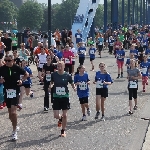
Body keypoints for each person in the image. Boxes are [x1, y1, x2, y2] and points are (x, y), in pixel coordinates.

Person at [0, 55, 28, 140]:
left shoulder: (17, 68)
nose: (7, 62)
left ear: (13, 61)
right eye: (6, 60)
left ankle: (14, 130)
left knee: (13, 112)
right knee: (10, 115)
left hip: (15, 91)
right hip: (7, 92)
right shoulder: (2, 68)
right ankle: (15, 125)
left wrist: (21, 80)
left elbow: (26, 74)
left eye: (9, 60)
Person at [50, 61, 76, 137]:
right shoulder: (54, 74)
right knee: (56, 115)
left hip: (65, 96)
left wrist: (74, 87)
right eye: (58, 66)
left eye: (61, 66)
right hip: (56, 96)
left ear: (64, 67)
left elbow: (71, 82)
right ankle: (60, 118)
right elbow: (51, 82)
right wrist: (51, 85)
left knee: (65, 114)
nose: (59, 68)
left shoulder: (67, 75)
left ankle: (63, 130)